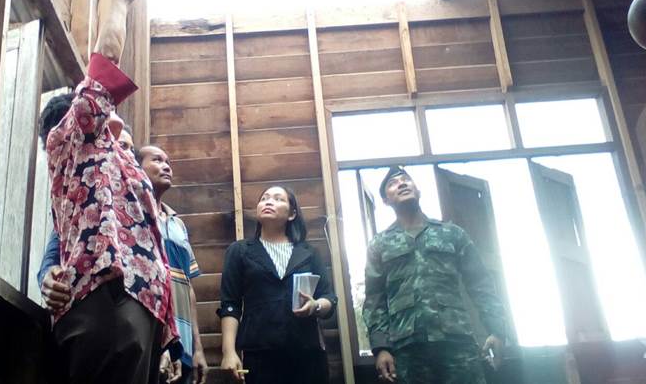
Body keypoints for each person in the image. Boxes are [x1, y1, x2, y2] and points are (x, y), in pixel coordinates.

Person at [42, 0, 180, 384]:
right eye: (105, 110)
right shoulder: (73, 139)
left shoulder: (121, 165)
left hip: (144, 308)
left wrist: (167, 337)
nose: (112, 113)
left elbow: (152, 245)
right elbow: (105, 64)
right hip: (107, 301)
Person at [39, 139, 209, 384]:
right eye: (157, 160)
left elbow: (183, 286)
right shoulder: (98, 207)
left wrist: (193, 346)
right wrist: (46, 276)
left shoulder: (176, 224)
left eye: (129, 148)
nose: (166, 166)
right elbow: (57, 249)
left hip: (169, 337)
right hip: (129, 333)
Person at [363, 166, 507, 384]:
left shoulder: (452, 234)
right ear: (385, 200)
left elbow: (481, 284)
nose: (402, 184)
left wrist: (497, 330)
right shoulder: (380, 244)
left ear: (418, 191)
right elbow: (375, 300)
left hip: (457, 345)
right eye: (393, 183)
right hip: (408, 350)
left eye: (406, 180)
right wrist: (381, 348)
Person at [218, 186, 336, 384]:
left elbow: (329, 298)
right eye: (264, 198)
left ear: (292, 214)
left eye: (278, 199)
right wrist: (228, 351)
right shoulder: (239, 251)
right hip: (260, 356)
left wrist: (315, 306)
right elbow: (230, 304)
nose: (269, 202)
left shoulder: (309, 252)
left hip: (307, 355)